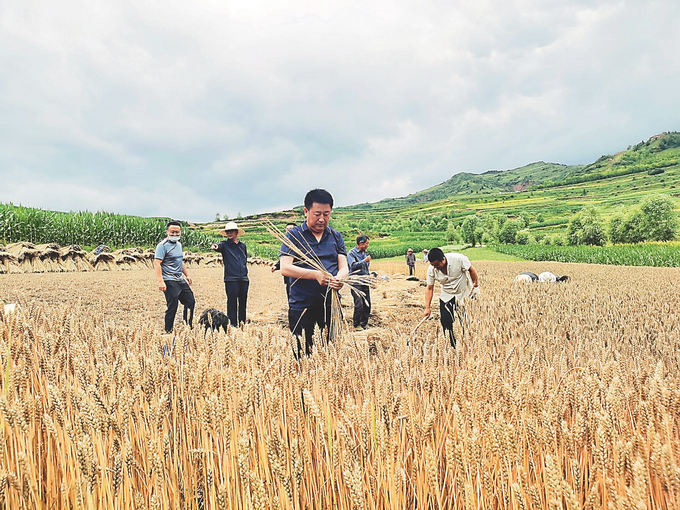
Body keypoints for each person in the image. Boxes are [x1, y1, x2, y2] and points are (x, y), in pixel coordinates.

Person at [280, 189, 348, 359]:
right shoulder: (293, 235)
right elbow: (285, 268)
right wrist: (315, 275)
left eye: (326, 214)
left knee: (332, 356)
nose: (322, 219)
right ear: (306, 211)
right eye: (317, 214)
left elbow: (344, 266)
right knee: (302, 358)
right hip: (302, 307)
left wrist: (340, 278)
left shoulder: (336, 236)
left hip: (331, 306)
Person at [423, 247, 479, 348]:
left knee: (465, 320)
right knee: (445, 320)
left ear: (443, 259)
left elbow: (471, 269)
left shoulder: (459, 259)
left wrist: (475, 285)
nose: (435, 267)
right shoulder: (431, 269)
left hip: (463, 293)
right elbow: (429, 288)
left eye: (436, 264)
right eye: (432, 265)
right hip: (447, 294)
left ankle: (468, 343)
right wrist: (427, 307)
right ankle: (451, 345)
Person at [154, 221, 195, 333]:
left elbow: (180, 261)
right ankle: (168, 331)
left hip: (179, 279)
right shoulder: (162, 246)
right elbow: (157, 263)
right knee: (173, 306)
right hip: (168, 279)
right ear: (167, 232)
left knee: (190, 301)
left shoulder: (179, 245)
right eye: (172, 232)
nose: (175, 234)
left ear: (180, 232)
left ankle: (188, 326)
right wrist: (160, 281)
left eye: (177, 232)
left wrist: (187, 275)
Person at [211, 222, 249, 327]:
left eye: (231, 231)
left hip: (244, 279)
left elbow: (244, 259)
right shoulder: (224, 245)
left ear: (236, 232)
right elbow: (217, 246)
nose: (229, 233)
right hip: (231, 279)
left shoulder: (243, 246)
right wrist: (215, 246)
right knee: (232, 303)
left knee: (243, 303)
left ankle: (242, 323)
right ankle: (232, 325)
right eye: (227, 231)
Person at [347, 235, 371, 329]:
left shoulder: (365, 253)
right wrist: (364, 261)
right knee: (359, 304)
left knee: (367, 303)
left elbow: (366, 268)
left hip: (365, 281)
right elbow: (353, 266)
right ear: (361, 243)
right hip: (356, 282)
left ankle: (364, 323)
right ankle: (356, 324)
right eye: (367, 243)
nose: (368, 245)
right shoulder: (351, 254)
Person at [271, 223, 297, 298]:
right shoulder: (285, 244)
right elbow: (284, 258)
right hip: (288, 274)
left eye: (290, 229)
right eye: (287, 230)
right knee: (289, 293)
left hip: (298, 273)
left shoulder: (301, 243)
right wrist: (276, 266)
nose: (288, 232)